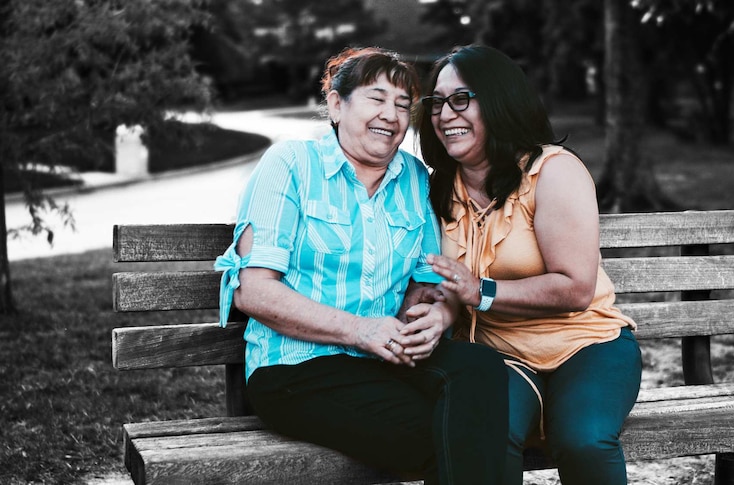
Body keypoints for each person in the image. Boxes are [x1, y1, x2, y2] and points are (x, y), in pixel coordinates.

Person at [213, 46, 508, 484]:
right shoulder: (290, 164)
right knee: (449, 435)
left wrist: (428, 316)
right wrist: (360, 330)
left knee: (480, 370)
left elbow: (426, 282)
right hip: (298, 368)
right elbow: (254, 290)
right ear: (336, 104)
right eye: (377, 98)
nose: (391, 114)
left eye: (403, 105)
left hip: (383, 358)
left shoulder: (414, 178)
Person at [418, 44, 643, 485]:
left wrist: (480, 290)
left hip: (586, 347)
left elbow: (576, 288)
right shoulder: (437, 189)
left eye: (461, 99)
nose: (445, 114)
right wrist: (429, 308)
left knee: (584, 440)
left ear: (500, 100)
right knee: (482, 436)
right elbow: (441, 283)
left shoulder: (552, 171)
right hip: (498, 357)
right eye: (437, 103)